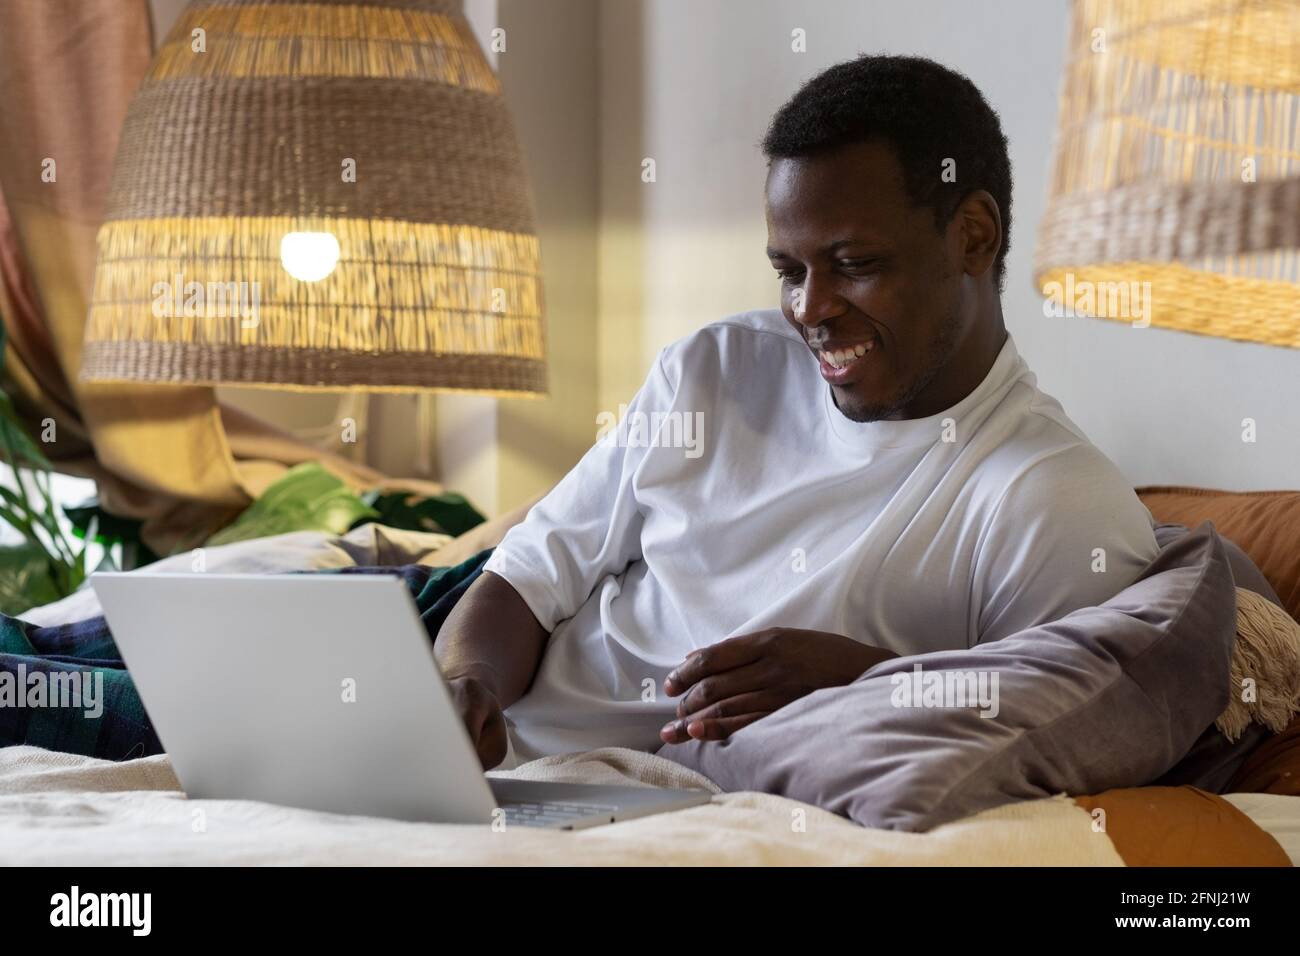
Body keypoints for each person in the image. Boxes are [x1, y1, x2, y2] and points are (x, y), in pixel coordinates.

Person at [436, 54, 1159, 771]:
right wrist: (464, 688)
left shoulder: (1051, 496)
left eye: (855, 265)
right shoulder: (715, 370)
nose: (809, 309)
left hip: (654, 813)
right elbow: (527, 576)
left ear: (972, 235)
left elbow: (1058, 723)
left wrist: (862, 680)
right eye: (790, 271)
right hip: (493, 772)